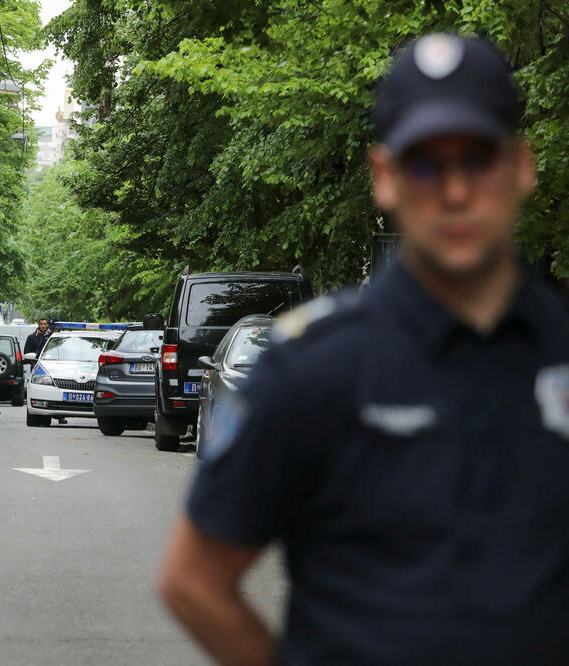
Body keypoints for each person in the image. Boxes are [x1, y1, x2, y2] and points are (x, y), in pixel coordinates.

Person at [159, 34, 569, 665]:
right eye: (426, 165)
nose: (455, 192)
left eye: (479, 159)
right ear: (385, 178)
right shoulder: (313, 365)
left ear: (522, 165)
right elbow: (194, 581)